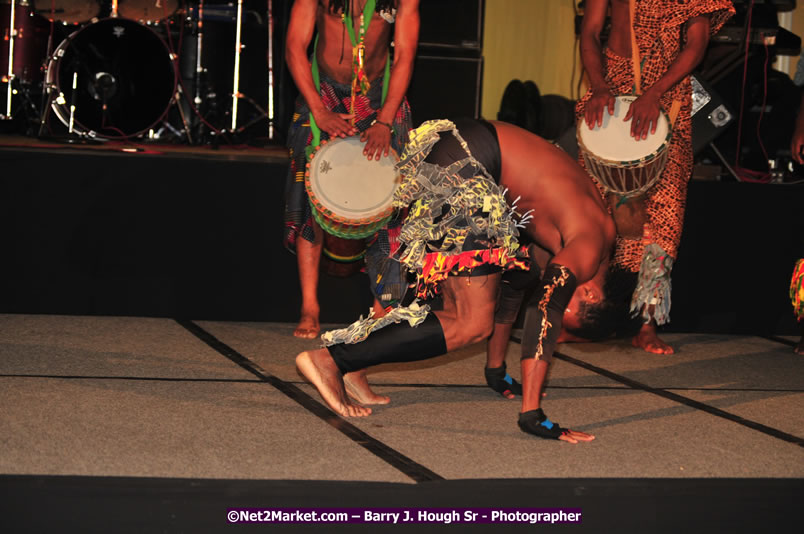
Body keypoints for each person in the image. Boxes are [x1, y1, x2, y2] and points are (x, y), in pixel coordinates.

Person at [296, 117, 616, 443]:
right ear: (590, 294)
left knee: (471, 308)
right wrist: (533, 415)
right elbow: (542, 313)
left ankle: (352, 364)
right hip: (471, 162)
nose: (557, 331)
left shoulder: (578, 234)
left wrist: (496, 372)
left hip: (465, 153)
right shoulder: (590, 246)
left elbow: (515, 283)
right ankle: (331, 360)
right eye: (567, 319)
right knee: (471, 322)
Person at [577, 0, 734, 355]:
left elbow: (696, 44)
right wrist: (599, 85)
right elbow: (589, 32)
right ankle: (582, 310)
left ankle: (645, 324)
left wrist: (654, 93)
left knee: (665, 218)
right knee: (596, 212)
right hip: (612, 87)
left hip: (669, 94)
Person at [283, 0, 419, 339]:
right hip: (324, 91)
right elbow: (294, 48)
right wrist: (318, 110)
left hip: (380, 95)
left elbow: (404, 55)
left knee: (394, 202)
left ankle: (382, 306)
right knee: (309, 193)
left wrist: (386, 120)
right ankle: (310, 305)